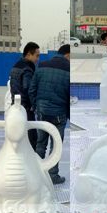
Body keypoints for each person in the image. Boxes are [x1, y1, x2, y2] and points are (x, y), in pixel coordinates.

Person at [29, 44, 70, 185]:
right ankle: (53, 175)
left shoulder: (42, 65)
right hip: (59, 115)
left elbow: (32, 89)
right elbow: (69, 96)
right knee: (56, 146)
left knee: (41, 144)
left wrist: (36, 107)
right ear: (68, 55)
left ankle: (37, 174)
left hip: (42, 113)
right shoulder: (68, 69)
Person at [9, 41, 40, 150]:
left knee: (18, 139)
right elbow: (29, 89)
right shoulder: (27, 69)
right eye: (37, 55)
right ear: (28, 54)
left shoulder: (15, 66)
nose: (38, 59)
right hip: (26, 109)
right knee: (32, 139)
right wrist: (34, 106)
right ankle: (33, 160)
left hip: (15, 107)